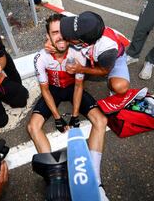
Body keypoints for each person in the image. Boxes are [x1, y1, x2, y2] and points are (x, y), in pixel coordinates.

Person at [27, 13, 109, 200]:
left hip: (73, 88)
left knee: (101, 120)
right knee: (32, 127)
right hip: (54, 91)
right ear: (47, 36)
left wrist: (74, 116)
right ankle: (54, 177)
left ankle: (95, 179)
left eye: (62, 32)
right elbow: (45, 90)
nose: (60, 37)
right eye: (54, 32)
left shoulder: (78, 53)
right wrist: (56, 117)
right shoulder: (40, 57)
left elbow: (79, 86)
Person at [58, 11, 131, 95]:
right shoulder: (85, 23)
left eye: (70, 36)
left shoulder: (107, 50)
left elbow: (104, 71)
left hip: (113, 59)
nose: (65, 36)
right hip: (92, 54)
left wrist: (80, 69)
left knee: (120, 86)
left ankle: (111, 84)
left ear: (84, 42)